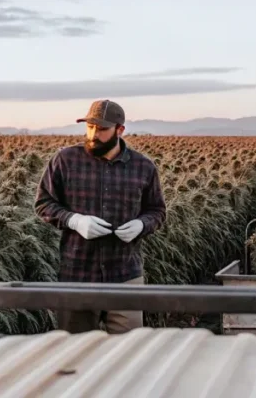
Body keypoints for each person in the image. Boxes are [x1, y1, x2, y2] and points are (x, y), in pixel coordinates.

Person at [34, 99, 166, 334]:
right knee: (76, 351)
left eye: (102, 129)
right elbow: (44, 203)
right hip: (78, 273)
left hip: (125, 274)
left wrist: (141, 224)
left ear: (120, 130)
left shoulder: (143, 167)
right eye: (90, 127)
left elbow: (157, 211)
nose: (94, 134)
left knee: (129, 349)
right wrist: (73, 220)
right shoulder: (65, 160)